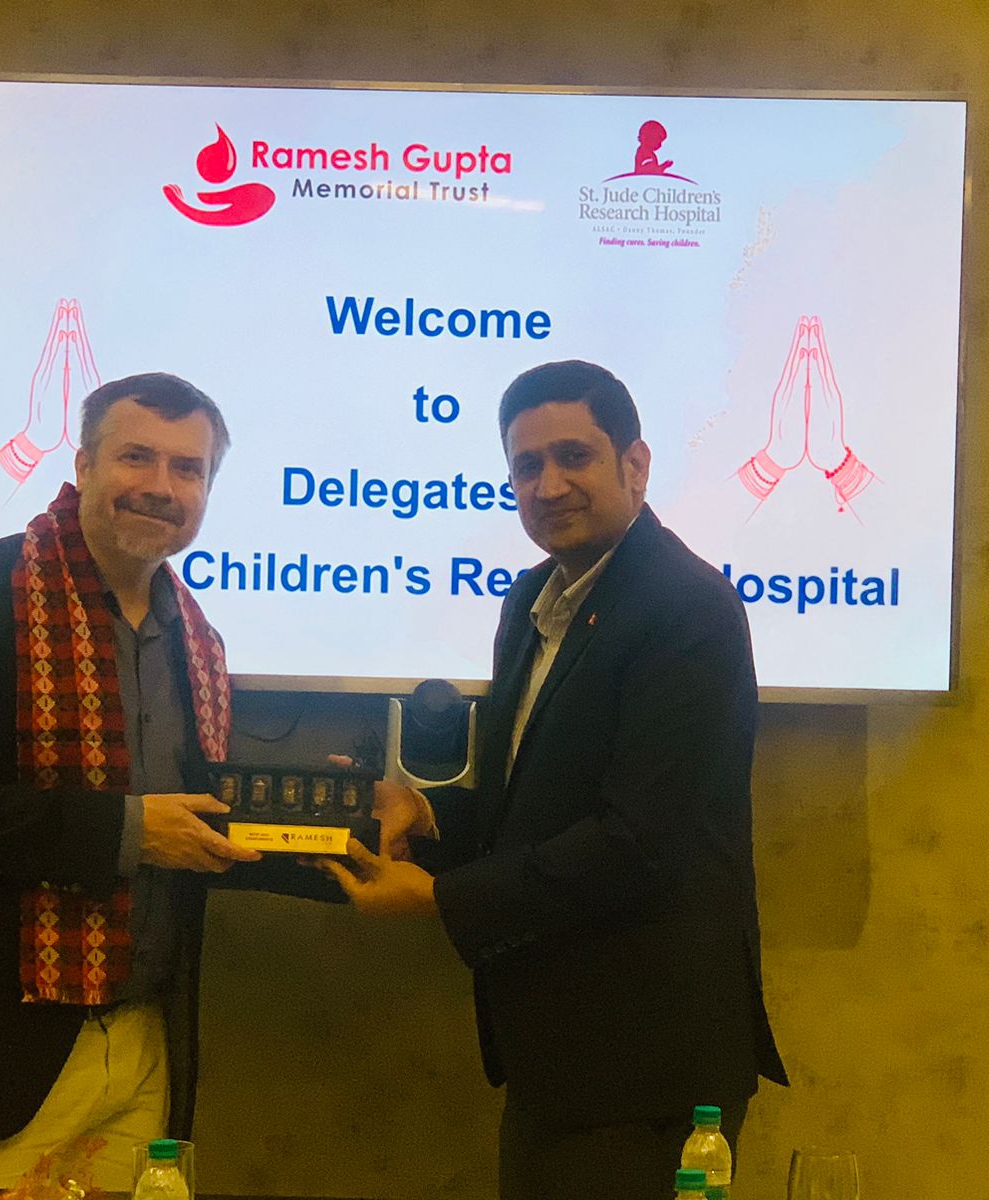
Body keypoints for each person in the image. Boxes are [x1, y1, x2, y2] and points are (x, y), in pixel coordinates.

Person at [317, 360, 788, 1200]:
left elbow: (638, 841)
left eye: (575, 456)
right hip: (559, 1056)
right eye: (526, 465)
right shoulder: (534, 599)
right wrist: (426, 815)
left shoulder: (687, 607)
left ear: (635, 465)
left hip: (647, 1066)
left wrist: (441, 899)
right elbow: (532, 802)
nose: (549, 485)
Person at [0, 372, 263, 1191]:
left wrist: (349, 827)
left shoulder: (197, 637)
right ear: (82, 465)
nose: (161, 486)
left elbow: (197, 831)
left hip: (144, 1045)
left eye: (187, 468)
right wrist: (129, 833)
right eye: (137, 457)